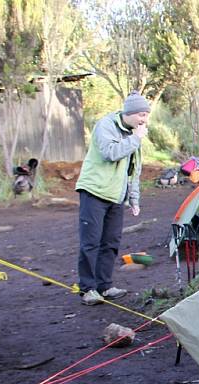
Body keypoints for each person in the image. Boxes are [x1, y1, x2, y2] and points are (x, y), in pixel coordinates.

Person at [76, 91, 150, 306]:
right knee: (91, 242)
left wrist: (134, 199)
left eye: (146, 115)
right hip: (95, 191)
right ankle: (87, 289)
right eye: (141, 115)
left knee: (111, 243)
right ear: (130, 113)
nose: (144, 120)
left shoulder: (134, 134)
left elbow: (133, 169)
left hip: (116, 196)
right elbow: (111, 153)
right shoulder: (106, 125)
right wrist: (135, 139)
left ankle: (105, 286)